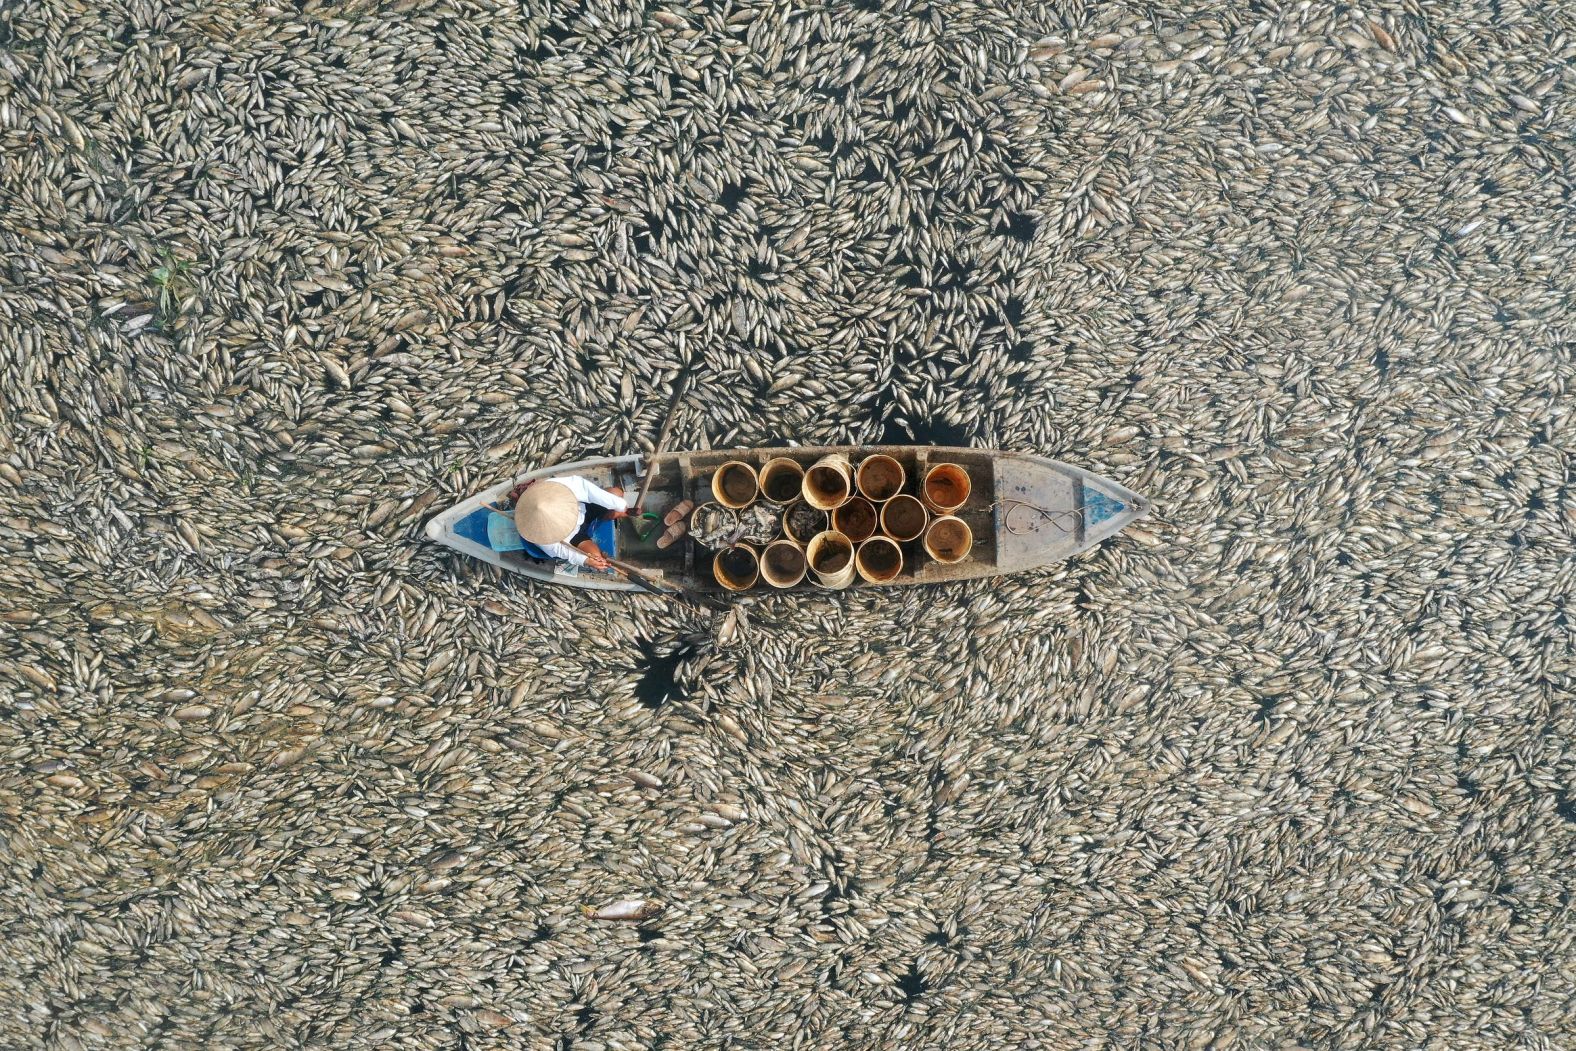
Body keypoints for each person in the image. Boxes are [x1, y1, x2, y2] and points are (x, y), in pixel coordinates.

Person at [509, 476, 629, 570]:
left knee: (617, 493)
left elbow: (587, 490)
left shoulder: (553, 486)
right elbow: (562, 551)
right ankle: (608, 516)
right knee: (596, 557)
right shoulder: (538, 534)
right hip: (574, 536)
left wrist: (621, 506)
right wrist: (586, 560)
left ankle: (606, 515)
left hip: (583, 510)